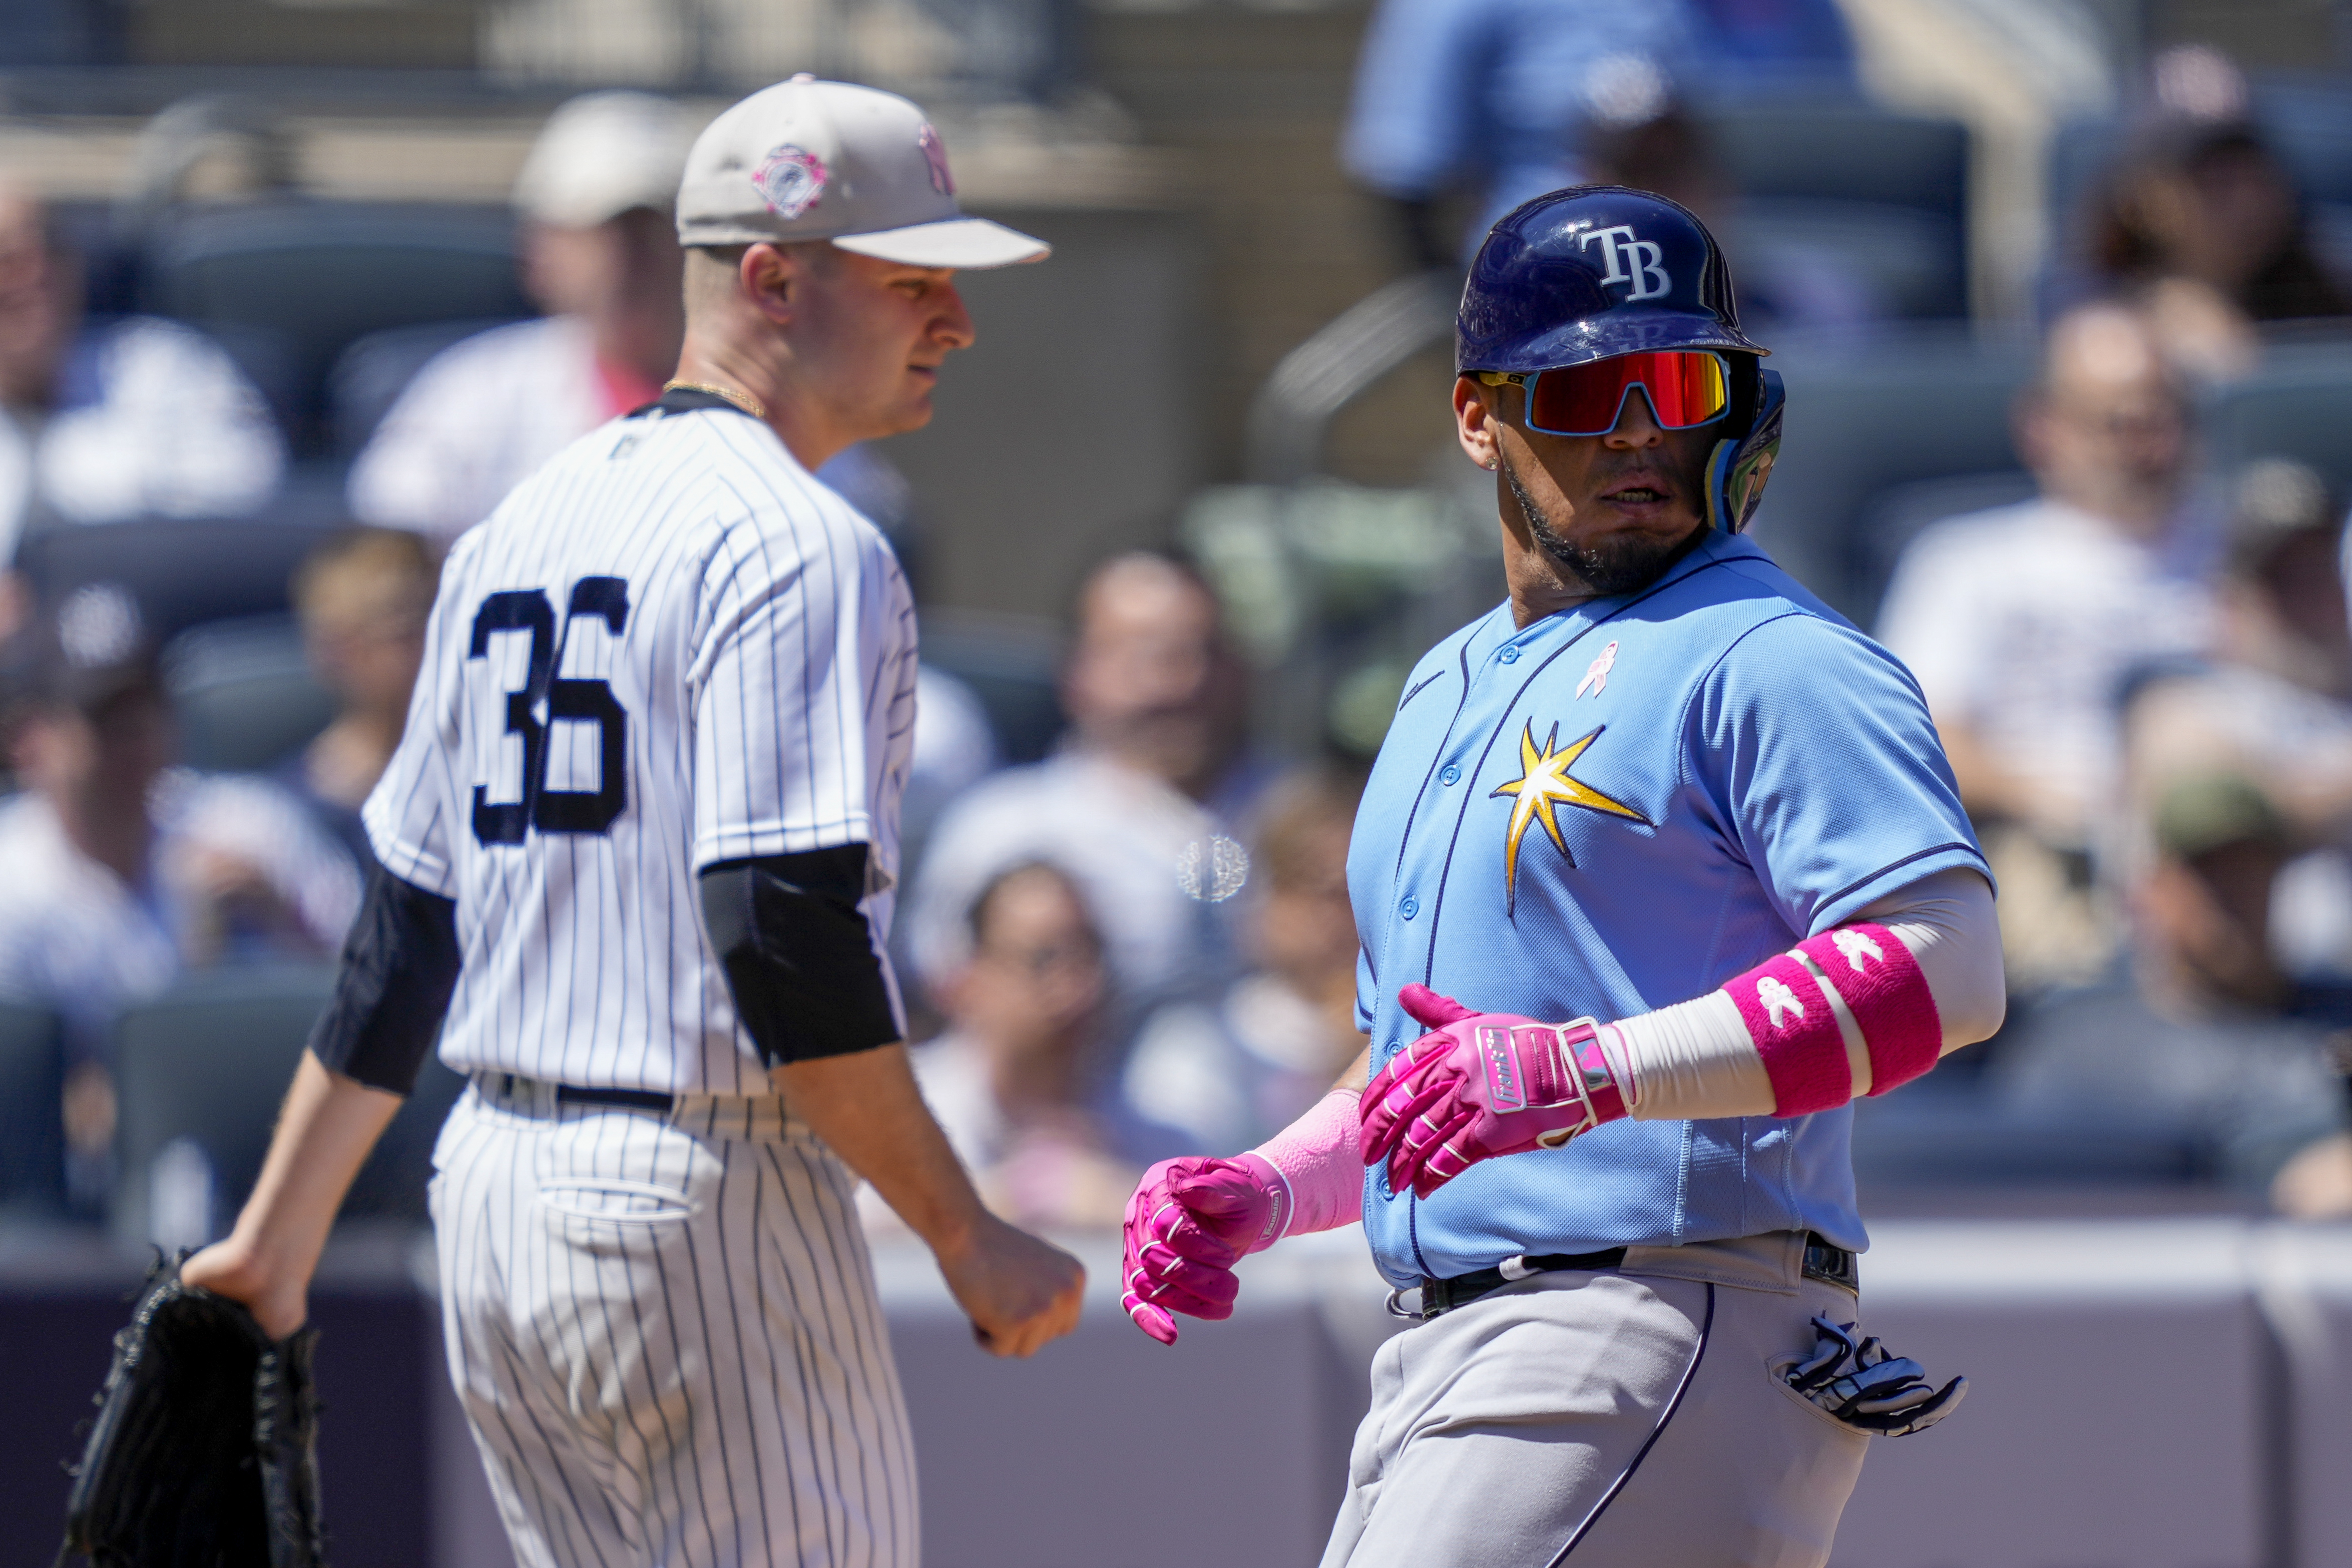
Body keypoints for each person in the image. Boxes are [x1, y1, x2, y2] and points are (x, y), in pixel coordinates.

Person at [181, 77, 1084, 1568]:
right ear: (772, 279)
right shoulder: (803, 544)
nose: (956, 321)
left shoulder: (513, 529)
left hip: (495, 1200)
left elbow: (407, 928)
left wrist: (280, 1239)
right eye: (914, 278)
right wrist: (960, 1228)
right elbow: (778, 928)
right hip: (694, 1196)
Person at [1117, 187, 2006, 1566]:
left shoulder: (1773, 651)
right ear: (1478, 414)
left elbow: (1945, 972)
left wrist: (1597, 1072)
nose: (1641, 428)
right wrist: (1273, 1184)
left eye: (1676, 380)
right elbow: (1434, 1071)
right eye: (1587, 390)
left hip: (1654, 1310)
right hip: (1457, 1340)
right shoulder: (1442, 679)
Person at [1875, 299, 2211, 988]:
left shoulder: (2267, 547)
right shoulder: (1969, 562)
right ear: (2043, 429)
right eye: (2119, 422)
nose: (2149, 445)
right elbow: (1913, 744)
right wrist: (2069, 798)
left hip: (2262, 844)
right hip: (2069, 867)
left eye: (2164, 416)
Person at [0, 585, 360, 1207]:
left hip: (279, 1174)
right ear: (30, 739)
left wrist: (279, 922)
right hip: (78, 1208)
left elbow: (383, 999)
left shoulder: (250, 828)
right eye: (104, 720)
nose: (132, 741)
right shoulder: (13, 878)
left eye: (145, 711)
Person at [905, 550, 1265, 1027]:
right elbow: (949, 1001)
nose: (1181, 682)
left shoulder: (1304, 816)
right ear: (1077, 669)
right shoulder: (1003, 827)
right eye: (1147, 654)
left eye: (1203, 651)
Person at [345, 91, 698, 548]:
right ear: (540, 250)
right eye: (602, 232)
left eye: (653, 229)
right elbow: (382, 568)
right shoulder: (475, 393)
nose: (629, 260)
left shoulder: (778, 390)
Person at [1996, 773, 2349, 1194]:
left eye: (2252, 869)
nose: (2233, 895)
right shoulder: (2085, 1044)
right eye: (2208, 872)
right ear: (2152, 887)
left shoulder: (2336, 1015)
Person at [1341, 0, 1856, 270]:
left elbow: (1845, 155)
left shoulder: (1805, 8)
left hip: (1768, 307)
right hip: (1552, 309)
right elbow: (1405, 181)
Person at [890, 860, 1184, 1231]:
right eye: (1043, 959)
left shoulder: (1152, 1137)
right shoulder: (900, 1110)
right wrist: (1017, 1195)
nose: (1076, 988)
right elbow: (848, 1222)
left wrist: (1126, 1203)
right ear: (967, 976)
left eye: (1089, 955)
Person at [0, 184, 282, 560]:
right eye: (6, 256)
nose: (36, 273)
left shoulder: (170, 369)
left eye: (52, 248)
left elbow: (247, 514)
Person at [1124, 765, 1369, 1152]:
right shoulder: (1194, 1044)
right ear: (1265, 901)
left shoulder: (1412, 1037)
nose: (1338, 917)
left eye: (1358, 894)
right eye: (1318, 888)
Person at [2068, 46, 2348, 383]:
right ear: (2145, 198)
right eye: (2214, 182)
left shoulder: (2325, 293)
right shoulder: (2105, 331)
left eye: (2253, 172)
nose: (2245, 201)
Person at [277, 528, 437, 871]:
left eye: (439, 621)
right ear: (335, 649)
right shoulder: (285, 816)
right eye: (406, 629)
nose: (433, 645)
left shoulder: (488, 778)